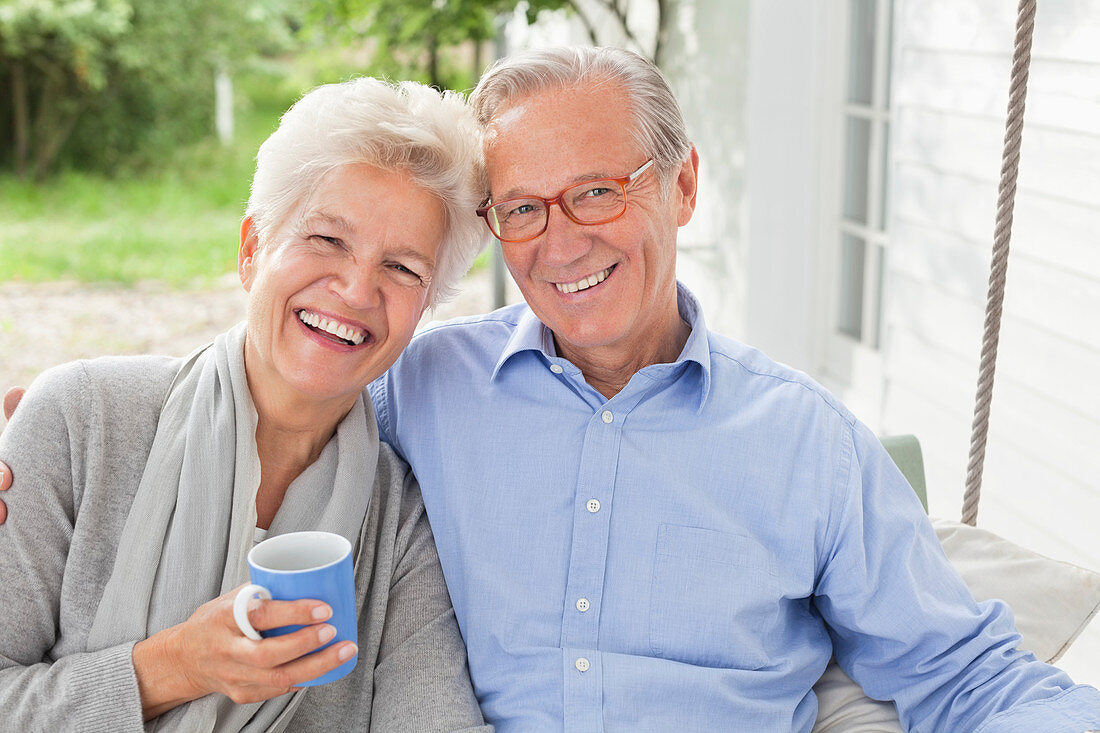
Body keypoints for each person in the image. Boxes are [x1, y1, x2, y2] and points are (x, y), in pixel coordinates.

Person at [4, 46, 1100, 732]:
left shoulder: (805, 443)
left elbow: (968, 677)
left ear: (679, 187)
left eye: (594, 191)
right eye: (521, 207)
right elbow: (290, 358)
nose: (558, 238)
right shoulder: (424, 389)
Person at [0, 77, 489, 732]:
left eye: (402, 268)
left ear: (425, 306)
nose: (355, 287)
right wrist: (174, 665)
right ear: (252, 250)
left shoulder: (398, 521)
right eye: (327, 239)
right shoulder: (80, 418)